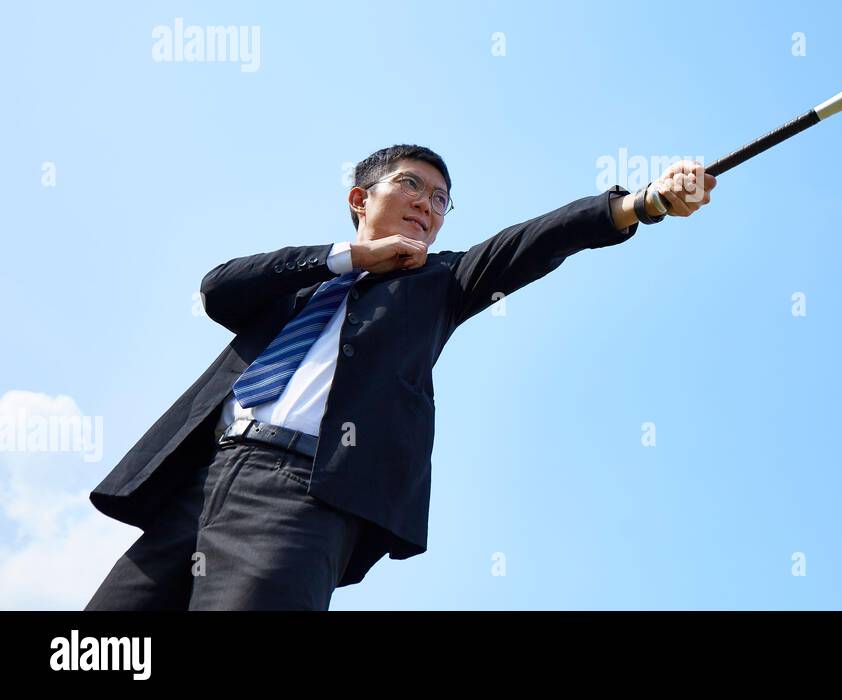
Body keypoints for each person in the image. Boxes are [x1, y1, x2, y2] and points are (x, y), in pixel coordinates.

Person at [84, 143, 715, 609]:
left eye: (441, 201)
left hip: (300, 495)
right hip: (199, 482)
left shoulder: (440, 283)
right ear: (360, 198)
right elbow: (218, 287)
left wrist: (644, 202)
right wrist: (349, 259)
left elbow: (534, 241)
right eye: (413, 186)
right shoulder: (298, 286)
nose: (428, 205)